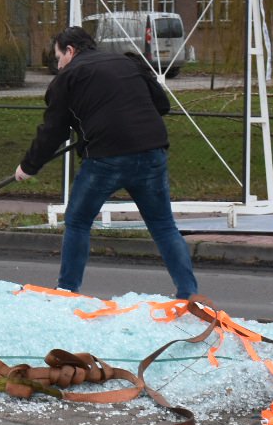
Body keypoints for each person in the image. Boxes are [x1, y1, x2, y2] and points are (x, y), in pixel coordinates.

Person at [14, 25, 199, 300]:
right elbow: (161, 105)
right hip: (151, 151)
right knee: (163, 225)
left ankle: (67, 290)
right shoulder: (128, 63)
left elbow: (53, 130)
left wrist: (28, 167)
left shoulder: (68, 78)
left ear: (70, 51)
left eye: (58, 57)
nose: (58, 64)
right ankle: (188, 294)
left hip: (106, 158)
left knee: (77, 222)